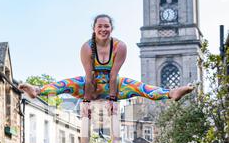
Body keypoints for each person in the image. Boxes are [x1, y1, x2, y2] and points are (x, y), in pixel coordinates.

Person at [18, 14, 194, 103]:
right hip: (90, 85)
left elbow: (114, 75)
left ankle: (171, 93)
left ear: (111, 28)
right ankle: (37, 90)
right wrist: (87, 100)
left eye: (107, 26)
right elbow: (88, 77)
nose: (103, 29)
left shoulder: (120, 46)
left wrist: (112, 100)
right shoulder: (87, 47)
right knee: (67, 84)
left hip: (114, 86)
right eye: (100, 26)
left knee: (140, 87)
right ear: (94, 29)